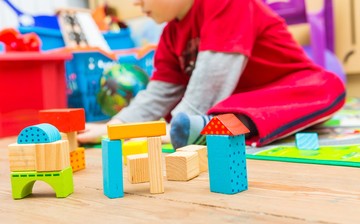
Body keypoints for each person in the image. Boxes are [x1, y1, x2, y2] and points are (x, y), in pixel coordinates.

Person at [77, 0, 346, 149]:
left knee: (327, 85)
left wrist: (174, 128)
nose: (136, 3)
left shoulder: (226, 2)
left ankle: (207, 126)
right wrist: (116, 126)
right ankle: (209, 127)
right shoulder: (171, 34)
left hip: (289, 90)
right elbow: (159, 92)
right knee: (207, 114)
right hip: (235, 105)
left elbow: (214, 75)